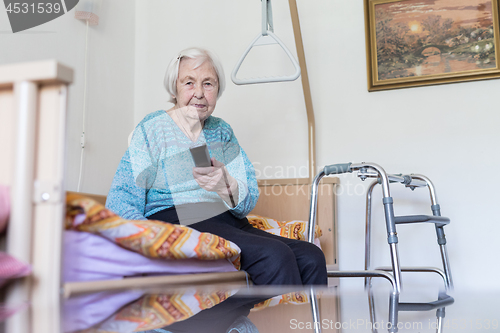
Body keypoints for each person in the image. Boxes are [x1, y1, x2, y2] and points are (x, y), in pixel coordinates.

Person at [106, 47, 327, 285]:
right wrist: (154, 241)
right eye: (189, 82)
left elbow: (248, 197)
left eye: (208, 84)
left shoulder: (221, 131)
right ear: (175, 88)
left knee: (311, 256)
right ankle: (273, 323)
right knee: (274, 256)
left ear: (218, 89)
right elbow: (121, 199)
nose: (199, 93)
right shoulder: (151, 129)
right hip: (177, 220)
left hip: (227, 220)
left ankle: (304, 324)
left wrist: (227, 186)